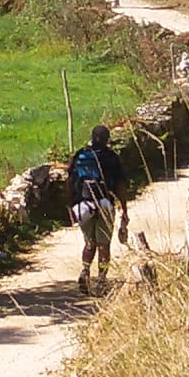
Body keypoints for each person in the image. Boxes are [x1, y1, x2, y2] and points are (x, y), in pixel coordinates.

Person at [68, 124, 129, 294]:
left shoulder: (80, 155)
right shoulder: (111, 157)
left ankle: (85, 271)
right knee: (104, 245)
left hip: (84, 206)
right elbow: (120, 185)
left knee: (89, 243)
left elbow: (70, 182)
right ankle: (101, 281)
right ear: (107, 139)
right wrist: (124, 210)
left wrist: (71, 206)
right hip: (104, 204)